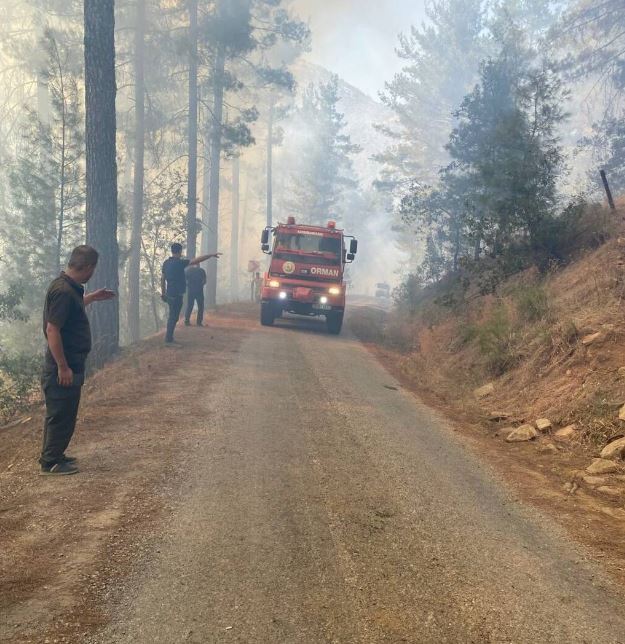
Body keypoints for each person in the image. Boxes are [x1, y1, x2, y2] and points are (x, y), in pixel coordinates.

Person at [40, 245, 116, 476]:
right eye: (94, 268)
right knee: (61, 413)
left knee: (65, 412)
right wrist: (63, 367)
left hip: (70, 362)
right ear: (89, 267)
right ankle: (50, 462)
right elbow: (52, 329)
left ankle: (55, 455)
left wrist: (92, 297)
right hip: (63, 365)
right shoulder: (63, 291)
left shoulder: (68, 288)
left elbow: (70, 311)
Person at [161, 243, 220, 343]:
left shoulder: (166, 263)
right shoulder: (180, 263)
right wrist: (210, 255)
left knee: (173, 316)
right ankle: (168, 339)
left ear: (172, 251)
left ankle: (169, 337)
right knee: (173, 317)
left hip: (170, 293)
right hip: (177, 294)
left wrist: (163, 293)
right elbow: (197, 260)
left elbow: (162, 279)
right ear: (180, 251)